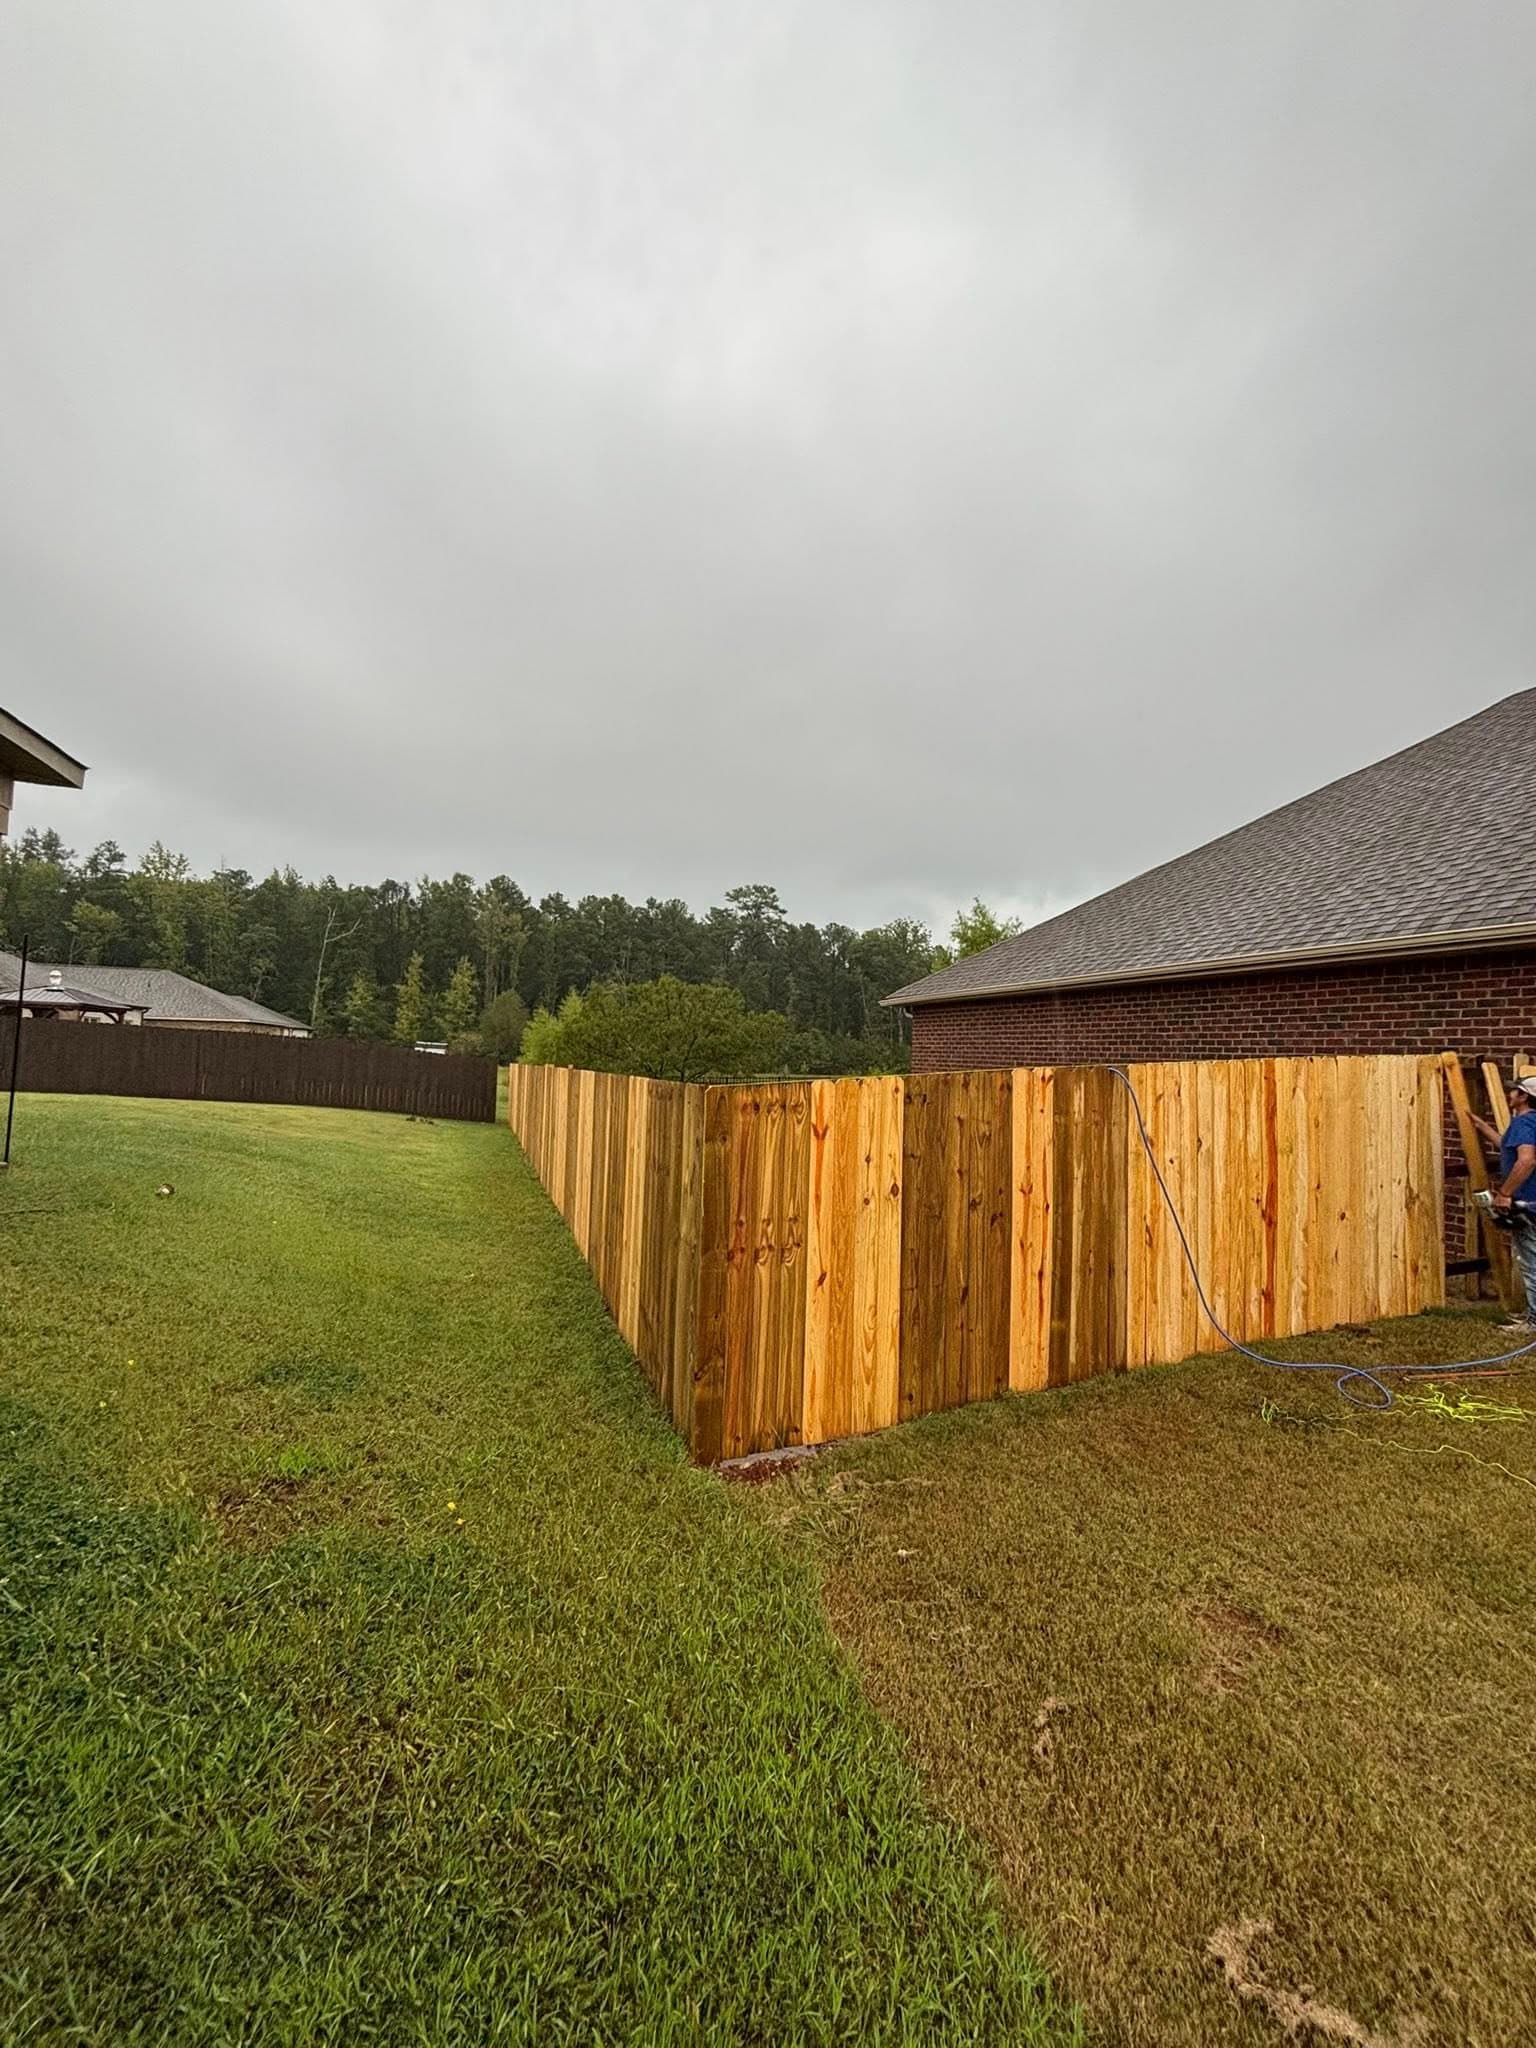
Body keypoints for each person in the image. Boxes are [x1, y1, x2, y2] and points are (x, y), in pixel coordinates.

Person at [1472, 1073, 1536, 1332]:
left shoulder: (1526, 1123)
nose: (1510, 1094)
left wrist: (1505, 1193)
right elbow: (1509, 1147)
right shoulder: (1525, 1123)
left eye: (1515, 1091)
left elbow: (1527, 1160)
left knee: (1532, 1261)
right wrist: (1481, 1127)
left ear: (1524, 1097)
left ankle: (1534, 1322)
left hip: (1528, 1204)